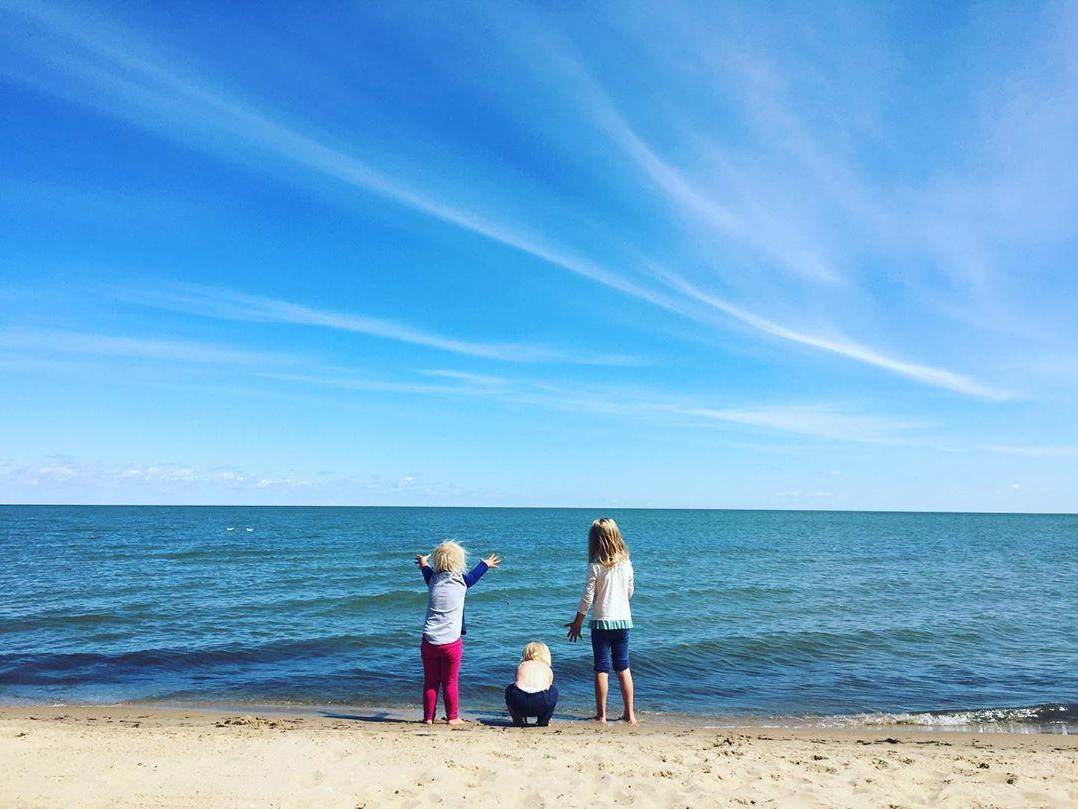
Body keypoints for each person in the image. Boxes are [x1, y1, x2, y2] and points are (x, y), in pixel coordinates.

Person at [415, 541, 500, 724]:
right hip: (451, 643)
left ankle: (428, 718)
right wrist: (486, 563)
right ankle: (452, 718)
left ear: (438, 561)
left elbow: (425, 567)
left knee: (430, 682)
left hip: (429, 640)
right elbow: (477, 573)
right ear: (459, 562)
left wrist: (423, 560)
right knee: (450, 681)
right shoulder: (462, 581)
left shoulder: (432, 580)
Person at [565, 518, 637, 724]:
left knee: (601, 668)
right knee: (623, 667)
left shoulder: (595, 566)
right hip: (623, 621)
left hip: (601, 622)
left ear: (595, 541)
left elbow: (588, 597)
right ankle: (630, 714)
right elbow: (630, 591)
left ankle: (602, 715)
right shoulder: (626, 563)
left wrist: (577, 621)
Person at [504, 641, 558, 727]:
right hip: (541, 703)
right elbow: (548, 687)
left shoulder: (521, 665)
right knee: (553, 690)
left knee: (509, 689)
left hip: (519, 702)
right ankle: (543, 721)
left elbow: (516, 684)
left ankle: (517, 719)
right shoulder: (547, 668)